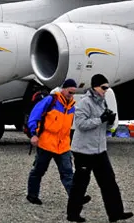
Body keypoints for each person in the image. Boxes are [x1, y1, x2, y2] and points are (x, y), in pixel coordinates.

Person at [66, 74, 133, 223]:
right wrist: (100, 119)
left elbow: (105, 127)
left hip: (99, 149)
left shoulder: (102, 103)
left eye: (107, 88)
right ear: (95, 87)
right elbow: (81, 124)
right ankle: (72, 215)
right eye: (103, 87)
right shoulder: (85, 102)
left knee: (109, 182)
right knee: (80, 184)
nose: (106, 90)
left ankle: (116, 213)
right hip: (83, 150)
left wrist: (109, 121)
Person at [25, 78, 91, 206]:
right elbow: (34, 116)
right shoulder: (51, 100)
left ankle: (76, 198)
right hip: (46, 143)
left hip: (63, 145)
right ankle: (32, 195)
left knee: (68, 172)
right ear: (63, 89)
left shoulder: (72, 106)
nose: (71, 94)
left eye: (73, 92)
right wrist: (33, 134)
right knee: (39, 170)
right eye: (69, 91)